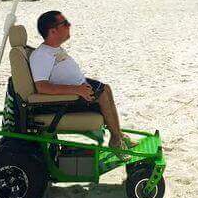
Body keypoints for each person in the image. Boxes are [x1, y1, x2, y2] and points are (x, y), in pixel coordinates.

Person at [29, 10, 134, 151]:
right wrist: (76, 89)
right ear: (53, 31)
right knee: (102, 93)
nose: (69, 25)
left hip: (76, 91)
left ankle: (118, 134)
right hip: (64, 101)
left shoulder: (52, 49)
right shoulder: (41, 55)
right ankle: (115, 140)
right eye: (65, 23)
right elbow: (42, 87)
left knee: (106, 88)